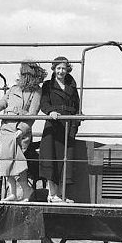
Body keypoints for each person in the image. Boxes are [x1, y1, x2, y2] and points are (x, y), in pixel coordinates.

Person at [0, 61, 46, 201]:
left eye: (23, 73)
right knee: (6, 161)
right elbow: (2, 102)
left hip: (19, 131)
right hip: (6, 129)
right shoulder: (13, 89)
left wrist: (22, 129)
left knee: (18, 162)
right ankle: (13, 192)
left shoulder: (36, 91)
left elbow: (33, 113)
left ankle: (26, 190)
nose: (20, 76)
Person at [39, 56, 80, 203]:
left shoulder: (72, 86)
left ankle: (62, 195)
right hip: (54, 125)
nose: (61, 71)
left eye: (63, 68)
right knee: (53, 158)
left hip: (69, 125)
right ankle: (52, 195)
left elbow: (77, 105)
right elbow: (44, 102)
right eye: (58, 68)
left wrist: (78, 120)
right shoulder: (48, 85)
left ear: (67, 69)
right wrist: (50, 111)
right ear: (54, 69)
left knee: (65, 160)